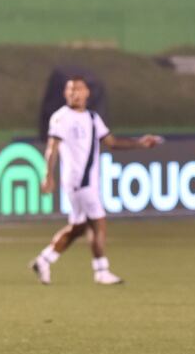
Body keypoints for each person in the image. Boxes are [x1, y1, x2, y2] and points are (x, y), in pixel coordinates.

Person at [32, 78, 163, 285]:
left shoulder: (93, 118)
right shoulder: (61, 118)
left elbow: (111, 142)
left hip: (86, 182)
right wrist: (48, 176)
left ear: (87, 94)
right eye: (70, 89)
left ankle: (44, 260)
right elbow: (52, 148)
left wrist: (140, 143)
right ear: (66, 94)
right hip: (79, 181)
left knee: (78, 228)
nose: (74, 93)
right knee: (99, 222)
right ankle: (101, 270)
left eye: (78, 89)